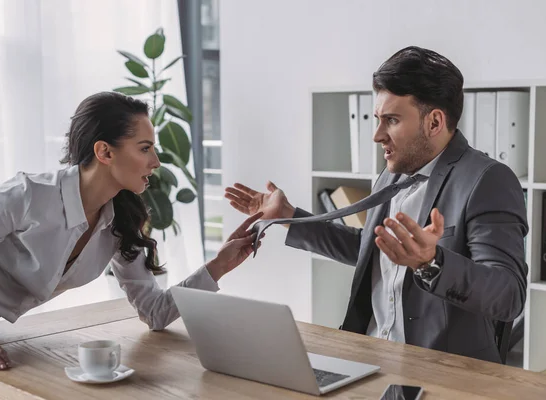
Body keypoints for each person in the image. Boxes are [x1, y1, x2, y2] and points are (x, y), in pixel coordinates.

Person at [225, 46, 528, 363]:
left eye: (392, 120)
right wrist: (288, 216)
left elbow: (508, 295)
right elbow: (371, 250)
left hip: (439, 375)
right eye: (377, 119)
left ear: (435, 122)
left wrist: (431, 262)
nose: (377, 135)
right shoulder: (391, 174)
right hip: (369, 361)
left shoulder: (487, 179)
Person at [0, 91, 263, 371]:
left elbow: (155, 312)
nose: (156, 162)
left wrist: (219, 265)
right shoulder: (26, 195)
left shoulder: (119, 222)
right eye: (145, 148)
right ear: (105, 152)